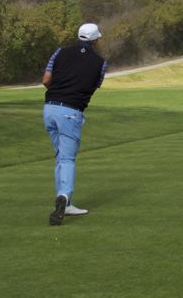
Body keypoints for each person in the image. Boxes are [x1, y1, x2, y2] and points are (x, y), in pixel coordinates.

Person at [42, 23, 108, 226]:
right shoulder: (101, 63)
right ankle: (64, 196)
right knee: (68, 158)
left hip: (50, 109)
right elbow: (93, 85)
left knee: (60, 157)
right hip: (71, 112)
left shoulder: (59, 52)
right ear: (96, 40)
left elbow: (46, 80)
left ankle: (66, 201)